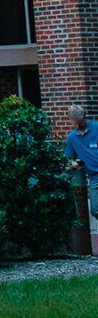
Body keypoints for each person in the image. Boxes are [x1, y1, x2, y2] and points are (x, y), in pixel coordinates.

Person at [68, 104, 98, 244]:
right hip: (94, 177)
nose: (76, 125)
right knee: (95, 209)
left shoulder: (96, 128)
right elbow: (68, 158)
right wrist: (72, 163)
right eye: (74, 122)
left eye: (78, 122)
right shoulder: (72, 138)